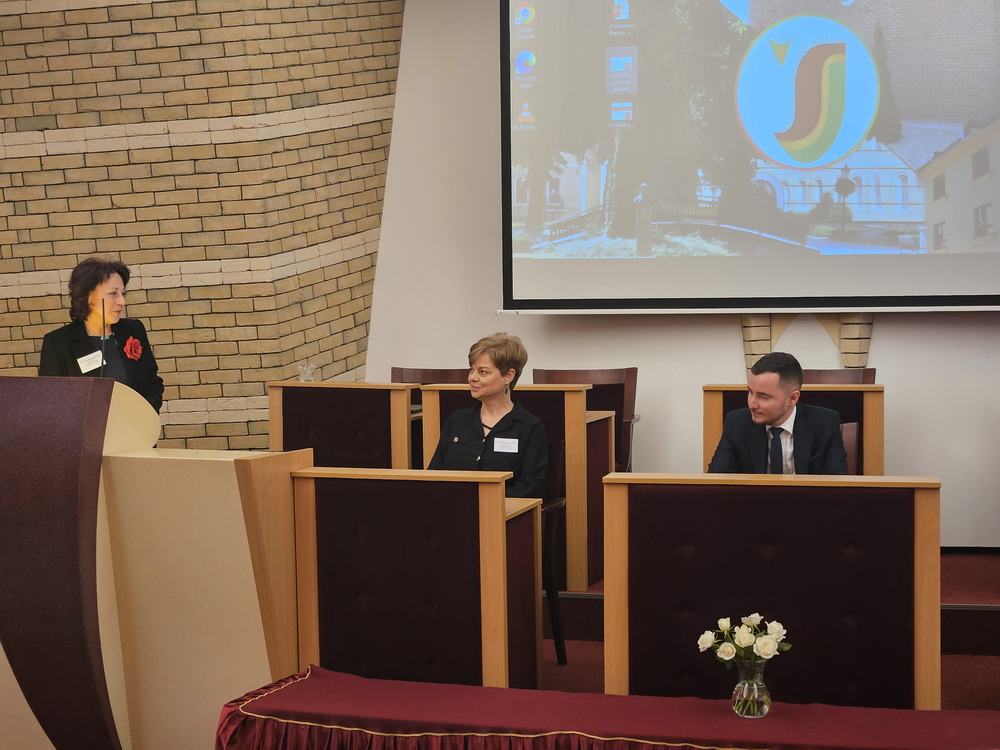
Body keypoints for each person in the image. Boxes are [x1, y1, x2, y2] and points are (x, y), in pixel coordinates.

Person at [427, 333, 547, 498]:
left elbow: (530, 486)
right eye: (472, 370)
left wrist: (486, 504)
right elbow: (434, 475)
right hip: (452, 508)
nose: (472, 378)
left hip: (504, 511)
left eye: (483, 372)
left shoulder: (530, 426)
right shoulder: (456, 420)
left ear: (508, 376)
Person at [38, 257, 164, 413]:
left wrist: (140, 414)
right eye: (113, 293)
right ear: (87, 296)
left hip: (135, 425)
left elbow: (153, 382)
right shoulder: (58, 343)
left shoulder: (134, 330)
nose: (122, 301)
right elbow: (51, 400)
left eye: (123, 293)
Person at [707, 351, 847, 475]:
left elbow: (835, 485)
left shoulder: (825, 423)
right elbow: (718, 481)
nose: (752, 404)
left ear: (792, 398)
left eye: (763, 397)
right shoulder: (736, 423)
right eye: (750, 392)